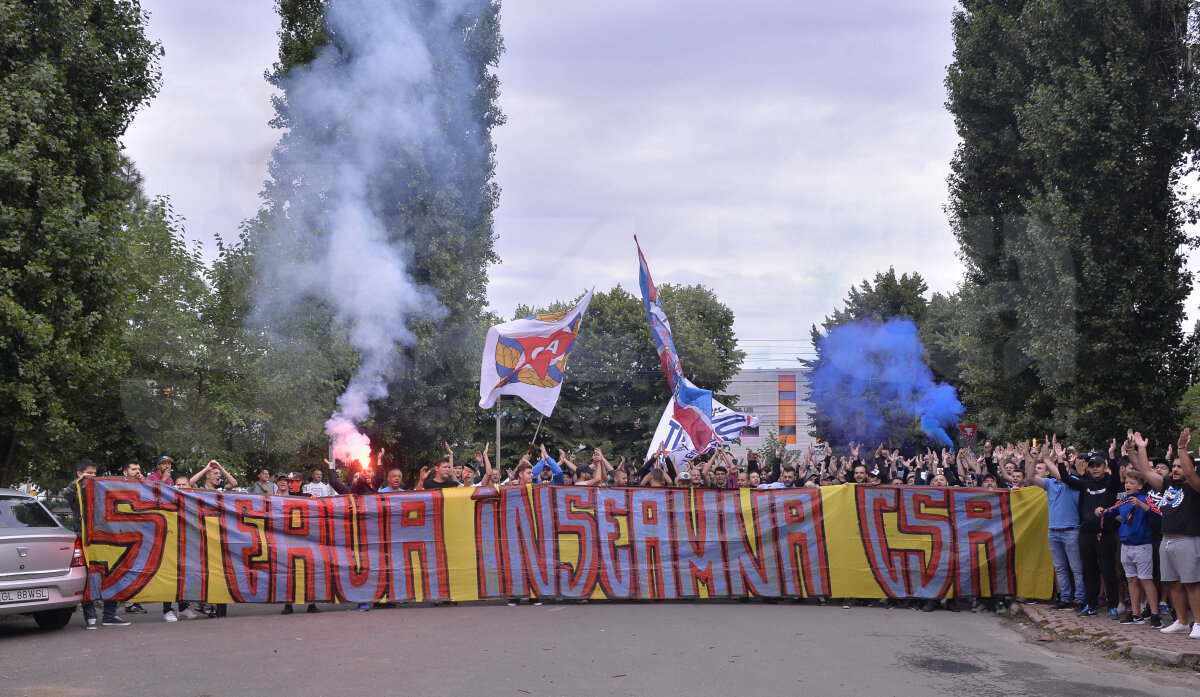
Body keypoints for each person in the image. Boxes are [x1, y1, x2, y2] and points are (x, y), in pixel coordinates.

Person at [1129, 430, 1200, 637]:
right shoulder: (1168, 484)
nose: (1175, 469)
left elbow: (1191, 475)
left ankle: (1198, 623)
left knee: (1191, 583)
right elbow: (1145, 471)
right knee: (1173, 583)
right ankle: (1182, 621)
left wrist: (1181, 448)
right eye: (1174, 466)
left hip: (1188, 540)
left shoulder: (1195, 487)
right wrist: (1140, 449)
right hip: (1166, 540)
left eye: (1180, 466)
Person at [64, 460, 130, 629]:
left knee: (112, 573)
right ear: (79, 473)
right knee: (89, 576)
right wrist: (79, 481)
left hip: (104, 536)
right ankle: (90, 617)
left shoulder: (101, 487)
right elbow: (66, 493)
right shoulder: (75, 488)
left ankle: (109, 615)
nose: (93, 476)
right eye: (89, 473)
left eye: (94, 473)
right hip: (84, 538)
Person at [1098, 469, 1162, 628]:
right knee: (1131, 579)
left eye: (1132, 483)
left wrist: (1142, 505)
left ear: (1140, 485)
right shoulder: (1123, 500)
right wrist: (1100, 511)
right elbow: (1111, 512)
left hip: (1142, 545)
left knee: (1145, 579)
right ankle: (1136, 614)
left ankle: (1155, 615)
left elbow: (1157, 514)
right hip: (1126, 545)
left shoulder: (1145, 499)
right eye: (1126, 482)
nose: (1127, 485)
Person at [1025, 443, 1085, 610]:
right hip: (1053, 531)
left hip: (1071, 531)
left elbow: (1061, 476)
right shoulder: (1050, 483)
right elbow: (1030, 478)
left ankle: (1081, 599)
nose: (1060, 470)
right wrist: (1035, 458)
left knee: (1077, 568)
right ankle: (1065, 598)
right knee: (1060, 568)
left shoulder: (1075, 482)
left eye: (1063, 466)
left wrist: (1047, 459)